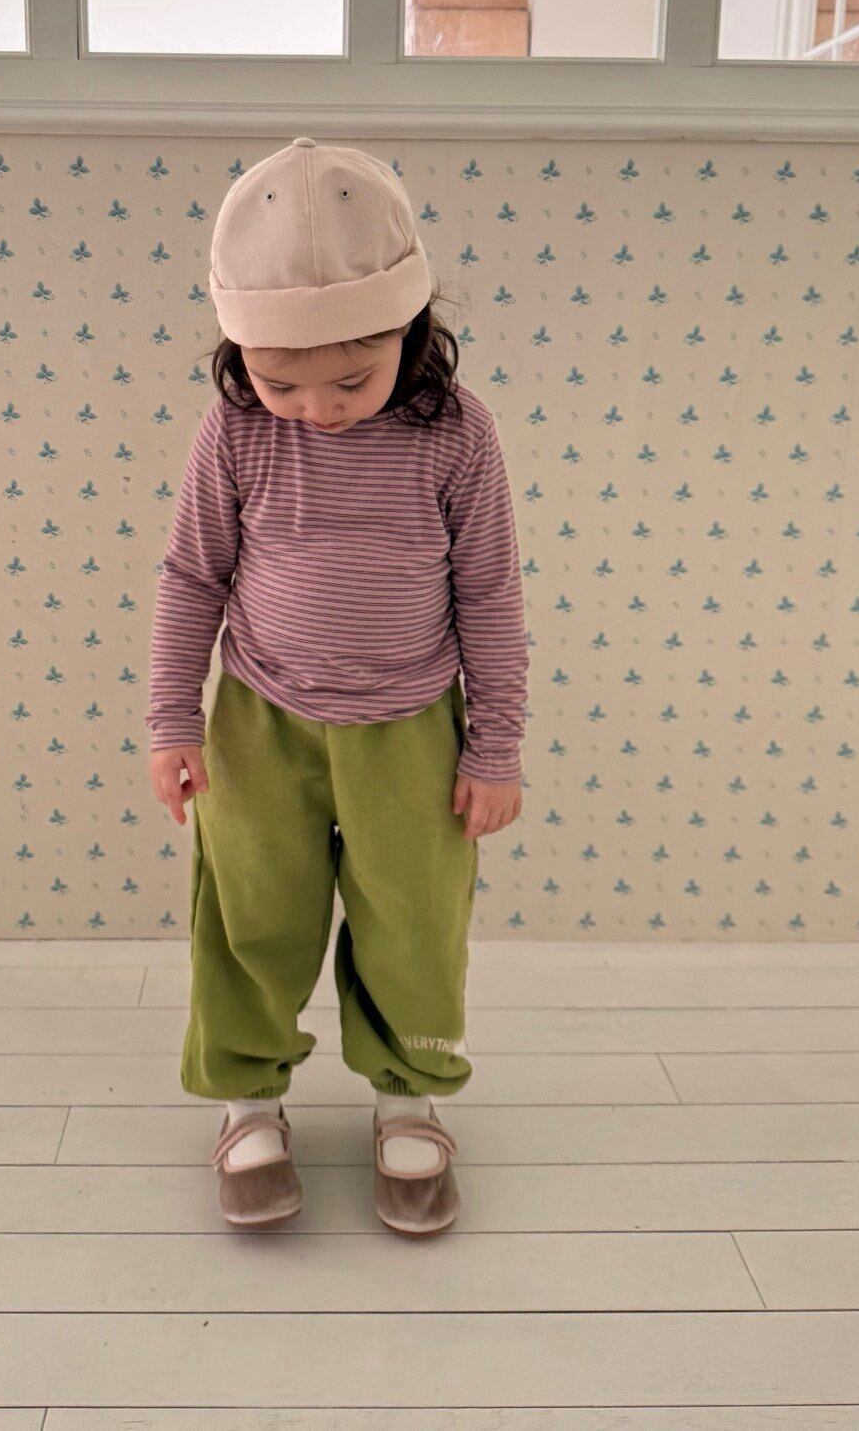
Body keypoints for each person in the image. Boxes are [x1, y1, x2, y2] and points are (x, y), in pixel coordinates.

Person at [147, 136, 529, 1236]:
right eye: (280, 380)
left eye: (351, 380)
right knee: (250, 915)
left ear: (411, 331)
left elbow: (490, 593)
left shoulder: (459, 437)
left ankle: (407, 1096)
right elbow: (193, 576)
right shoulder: (236, 431)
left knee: (413, 921)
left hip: (411, 730)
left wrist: (494, 745)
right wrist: (172, 719)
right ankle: (246, 1099)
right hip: (259, 725)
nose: (315, 407)